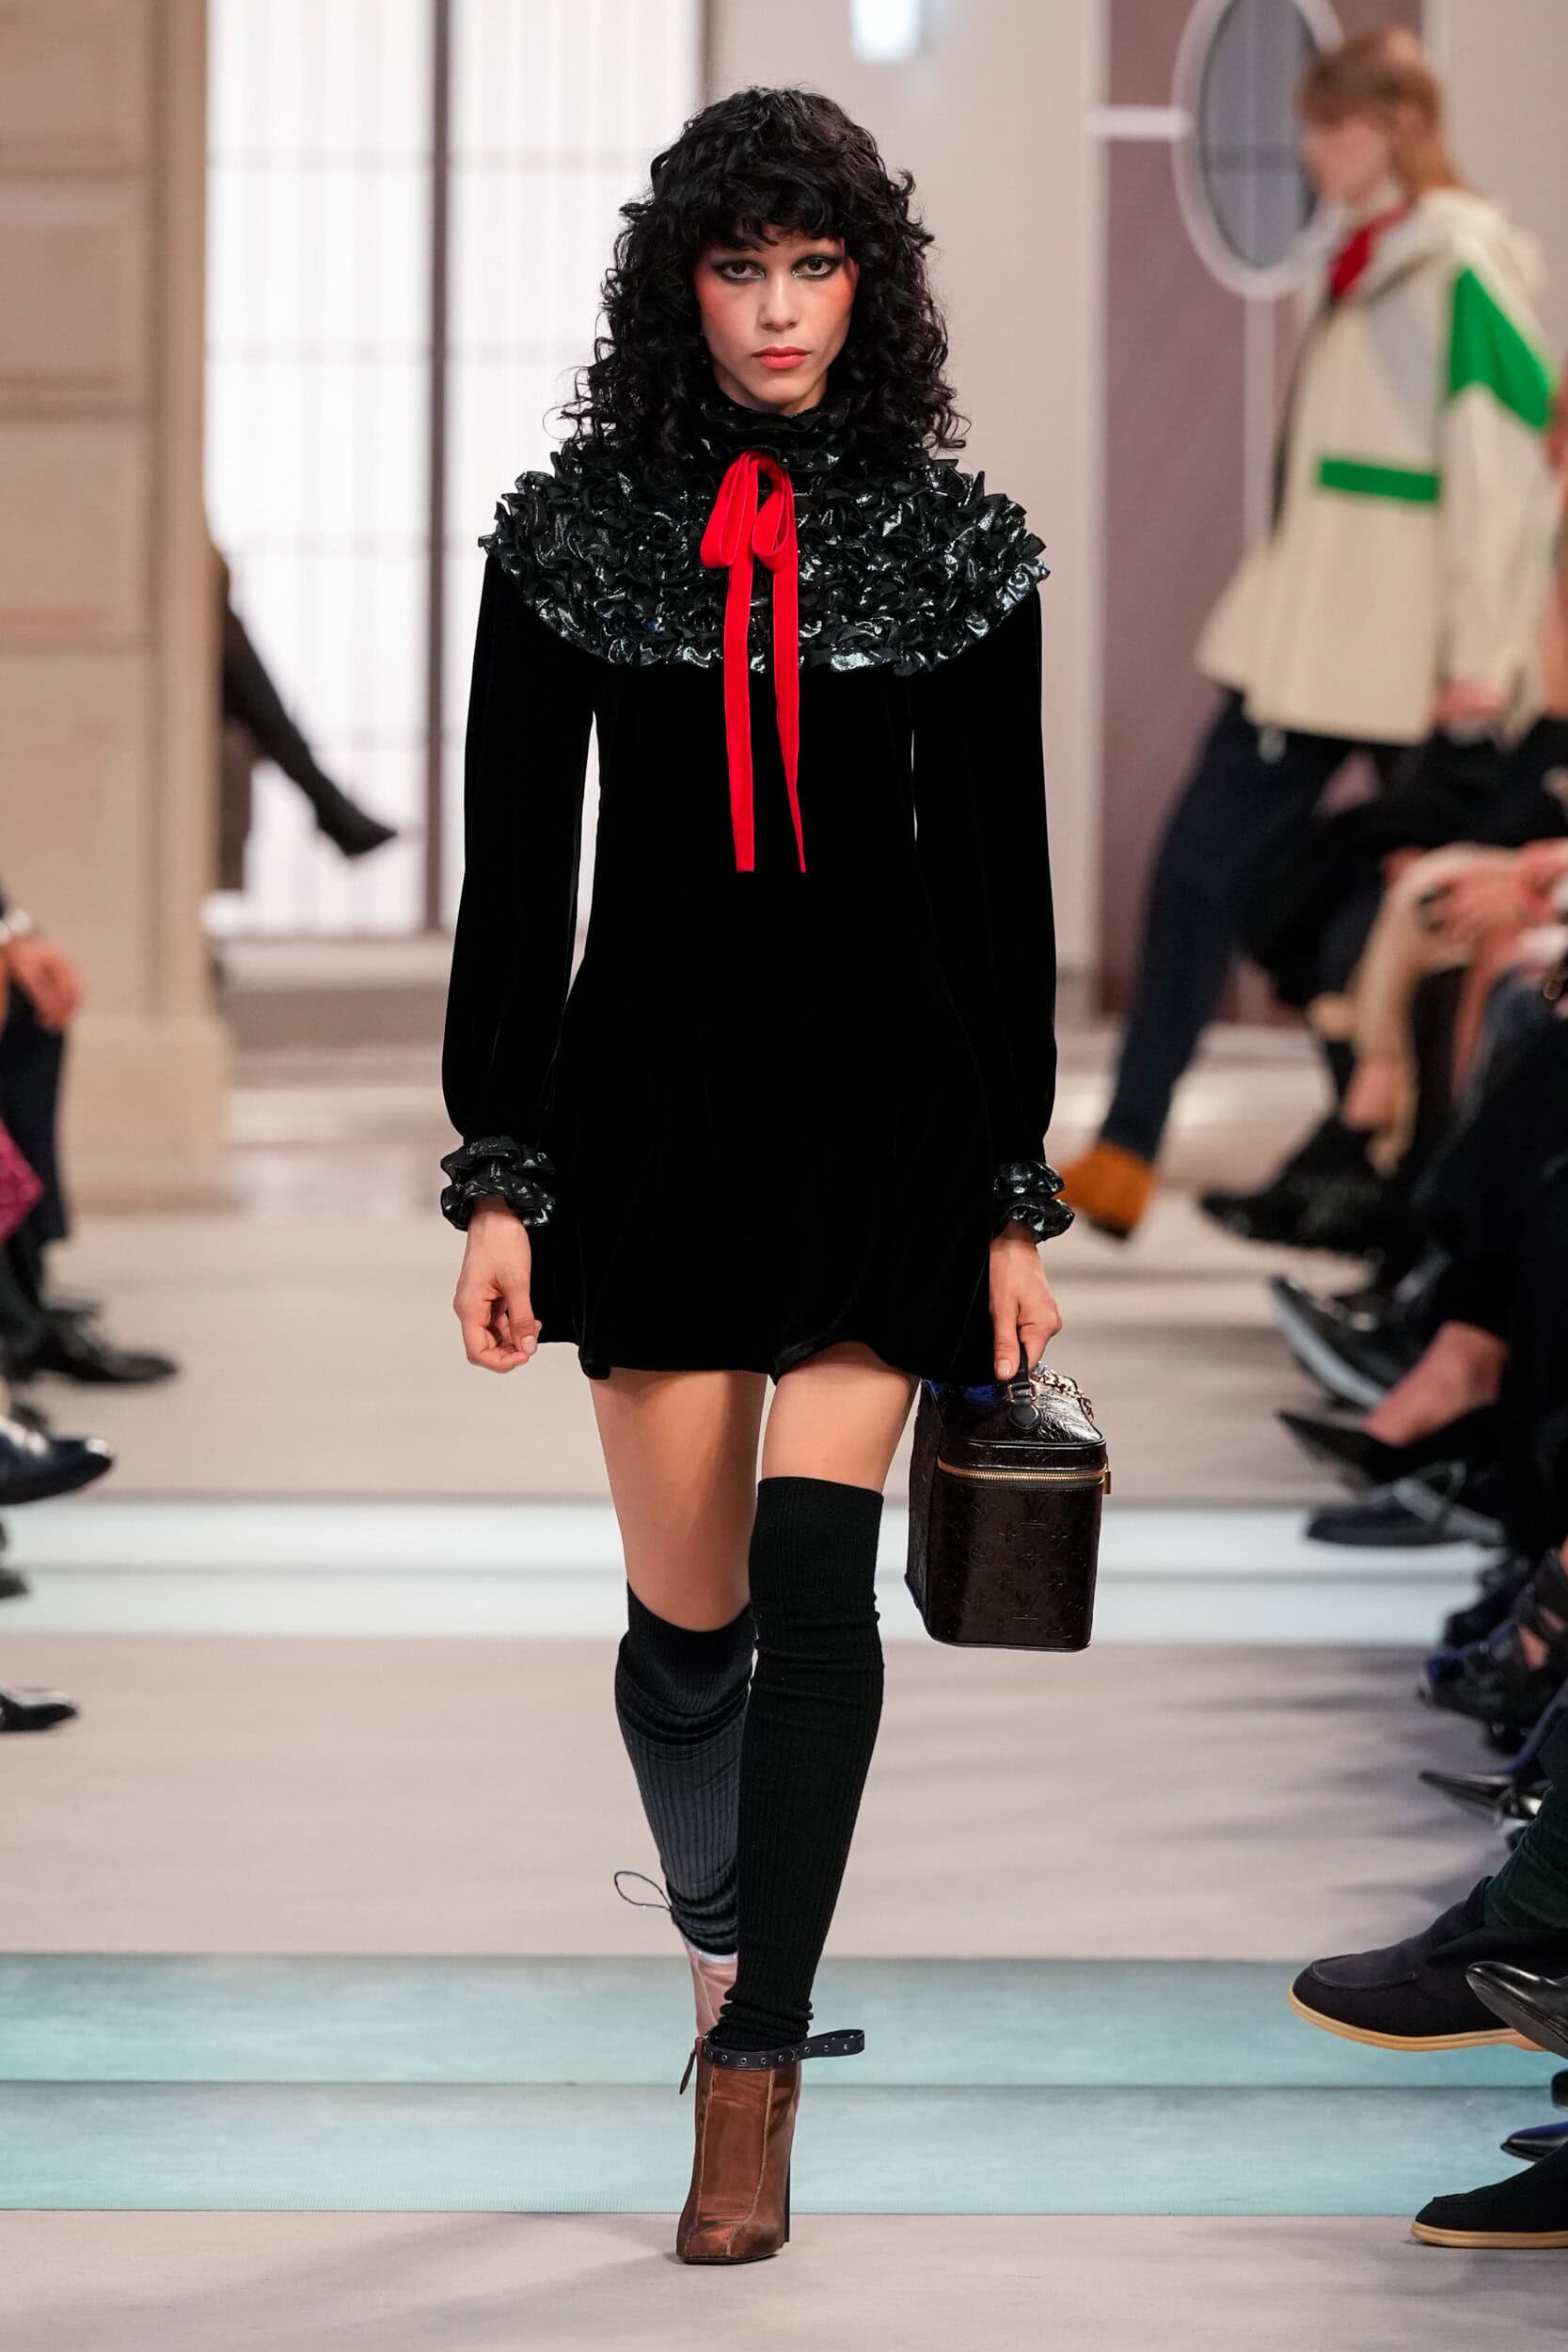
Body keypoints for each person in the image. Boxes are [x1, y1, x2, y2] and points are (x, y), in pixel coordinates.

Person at [438, 86, 1069, 2265]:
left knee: (817, 1583)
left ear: (870, 285)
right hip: (656, 1111)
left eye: (816, 267)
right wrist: (500, 1170)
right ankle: (720, 1930)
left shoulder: (959, 544)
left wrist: (1012, 1193)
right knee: (689, 1631)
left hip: (890, 1109)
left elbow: (999, 892)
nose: (781, 309)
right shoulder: (571, 538)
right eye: (740, 267)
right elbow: (516, 878)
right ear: (677, 288)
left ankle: (756, 2064)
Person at [1060, 25, 1559, 1241]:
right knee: (1220, 873)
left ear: (1392, 125)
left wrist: (1480, 657)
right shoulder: (1374, 259)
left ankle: (1390, 1195)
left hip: (1405, 651)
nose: (1312, 151)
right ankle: (1136, 1149)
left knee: (1377, 905)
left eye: (1332, 127)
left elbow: (1502, 467)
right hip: (1324, 632)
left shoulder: (1456, 266)